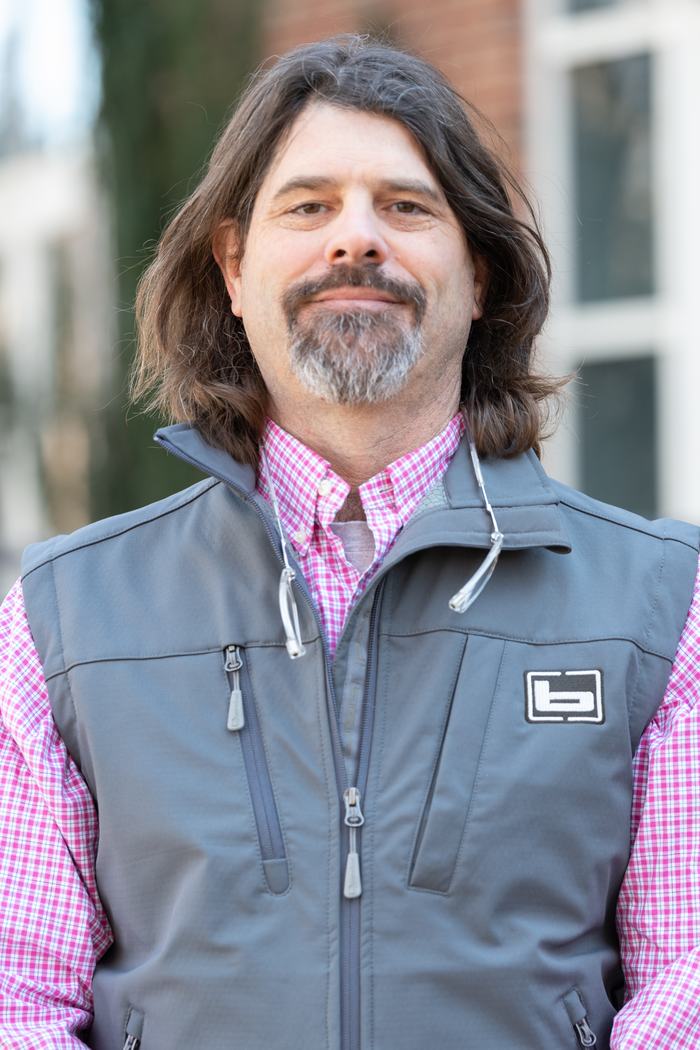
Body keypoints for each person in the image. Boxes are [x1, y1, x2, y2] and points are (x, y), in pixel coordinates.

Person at [0, 35, 698, 1050]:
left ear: (482, 277)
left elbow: (687, 981)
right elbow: (14, 997)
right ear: (233, 269)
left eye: (407, 207)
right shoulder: (62, 621)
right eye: (308, 206)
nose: (355, 240)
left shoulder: (660, 609)